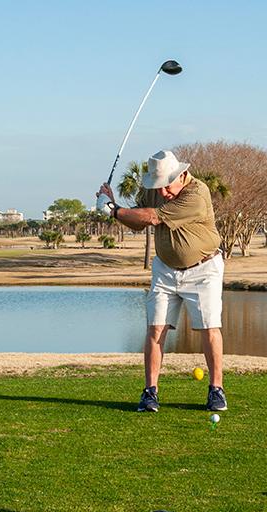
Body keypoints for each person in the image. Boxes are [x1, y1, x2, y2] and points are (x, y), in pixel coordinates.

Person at [97, 150, 227, 413]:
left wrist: (113, 210)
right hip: (165, 270)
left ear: (182, 174)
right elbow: (137, 221)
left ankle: (216, 390)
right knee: (155, 329)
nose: (164, 192)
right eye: (159, 187)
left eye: (168, 185)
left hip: (203, 269)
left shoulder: (197, 193)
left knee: (209, 328)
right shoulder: (155, 190)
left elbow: (154, 217)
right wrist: (113, 203)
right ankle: (150, 393)